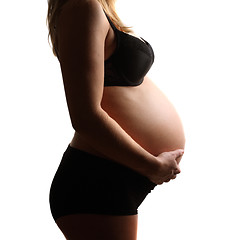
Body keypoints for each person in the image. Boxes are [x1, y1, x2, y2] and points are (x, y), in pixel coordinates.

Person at [47, 0, 186, 239]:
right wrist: (152, 166)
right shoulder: (82, 6)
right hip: (96, 182)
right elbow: (85, 116)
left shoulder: (94, 8)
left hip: (111, 176)